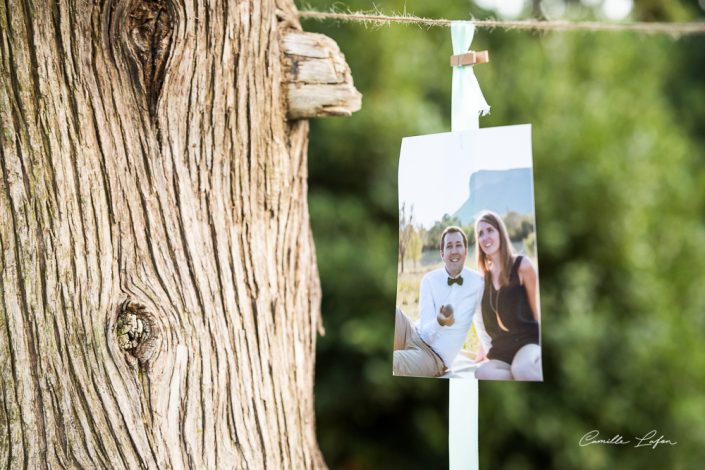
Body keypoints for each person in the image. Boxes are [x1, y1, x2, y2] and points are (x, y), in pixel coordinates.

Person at [393, 226, 484, 377]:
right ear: (442, 254)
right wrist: (439, 322)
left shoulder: (478, 282)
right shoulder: (429, 280)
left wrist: (485, 347)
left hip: (432, 357)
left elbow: (488, 320)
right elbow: (426, 331)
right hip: (412, 332)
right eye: (449, 246)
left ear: (466, 251)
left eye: (458, 245)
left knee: (393, 361)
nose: (454, 251)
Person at [473, 211, 542, 381]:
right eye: (480, 233)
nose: (485, 237)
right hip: (502, 350)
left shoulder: (522, 266)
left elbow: (536, 312)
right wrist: (482, 346)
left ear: (500, 233)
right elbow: (484, 318)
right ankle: (519, 375)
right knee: (481, 373)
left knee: (523, 369)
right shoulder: (483, 280)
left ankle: (524, 372)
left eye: (490, 230)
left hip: (527, 341)